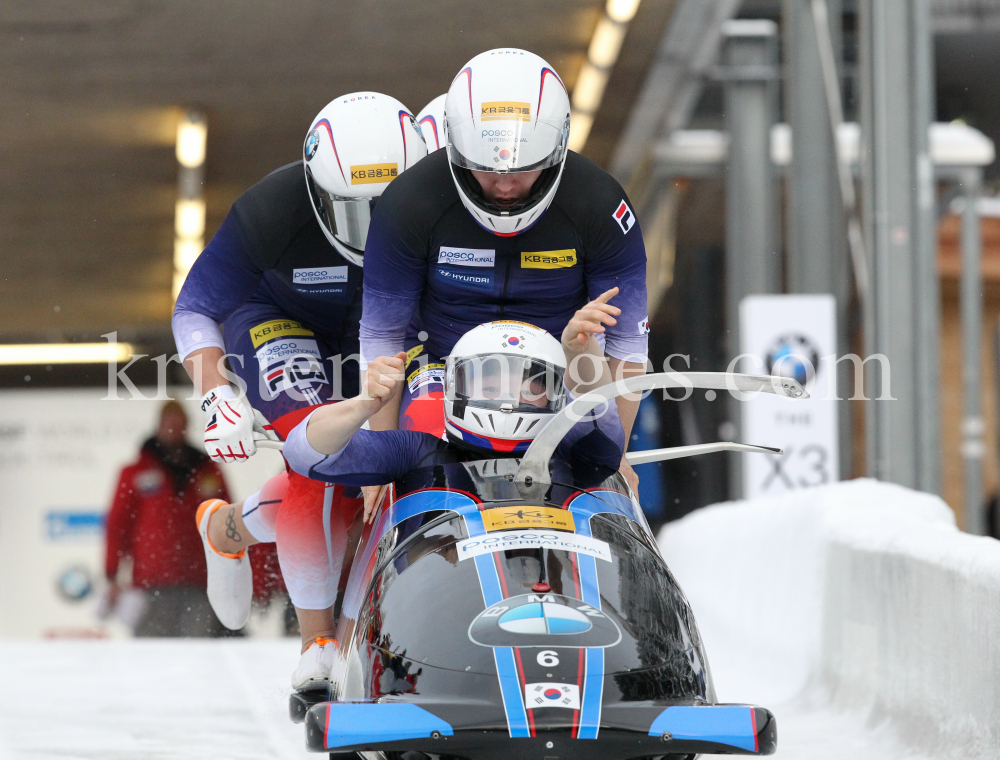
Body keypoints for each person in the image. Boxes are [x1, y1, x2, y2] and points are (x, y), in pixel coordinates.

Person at [172, 92, 427, 687]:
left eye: (391, 211)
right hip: (280, 321)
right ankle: (318, 642)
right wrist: (216, 392)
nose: (375, 233)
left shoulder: (447, 199)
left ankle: (226, 527)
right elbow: (195, 307)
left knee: (400, 462)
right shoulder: (271, 210)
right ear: (317, 195)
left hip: (385, 332)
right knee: (321, 462)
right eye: (356, 213)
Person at [358, 49, 648, 489]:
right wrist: (379, 471)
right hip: (443, 367)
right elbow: (383, 339)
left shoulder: (601, 206)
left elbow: (628, 345)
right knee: (417, 461)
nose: (507, 185)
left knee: (589, 473)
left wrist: (617, 455)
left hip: (557, 370)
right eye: (487, 170)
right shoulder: (408, 204)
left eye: (525, 169)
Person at [103, 401, 232, 636]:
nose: (175, 431)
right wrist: (112, 575)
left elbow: (228, 525)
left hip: (200, 582)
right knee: (153, 657)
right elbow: (118, 526)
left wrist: (234, 575)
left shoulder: (208, 470)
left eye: (180, 426)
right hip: (152, 582)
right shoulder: (135, 472)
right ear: (159, 426)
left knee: (198, 653)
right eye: (170, 425)